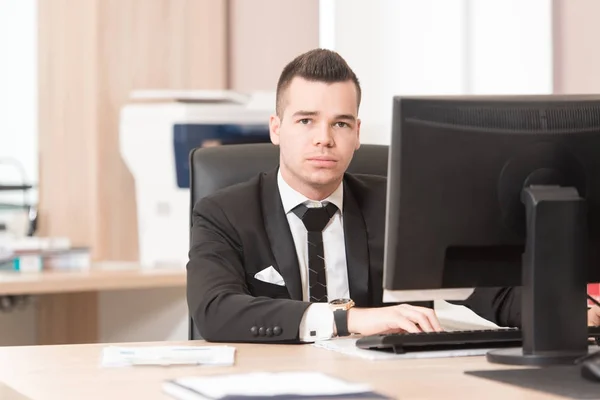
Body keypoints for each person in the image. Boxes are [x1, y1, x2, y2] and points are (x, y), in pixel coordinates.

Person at [187, 48, 600, 342]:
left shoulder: (400, 207)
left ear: (358, 134)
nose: (324, 139)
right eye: (306, 120)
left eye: (341, 124)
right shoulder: (223, 213)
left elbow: (493, 288)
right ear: (276, 128)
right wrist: (349, 320)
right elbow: (215, 310)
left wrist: (565, 309)